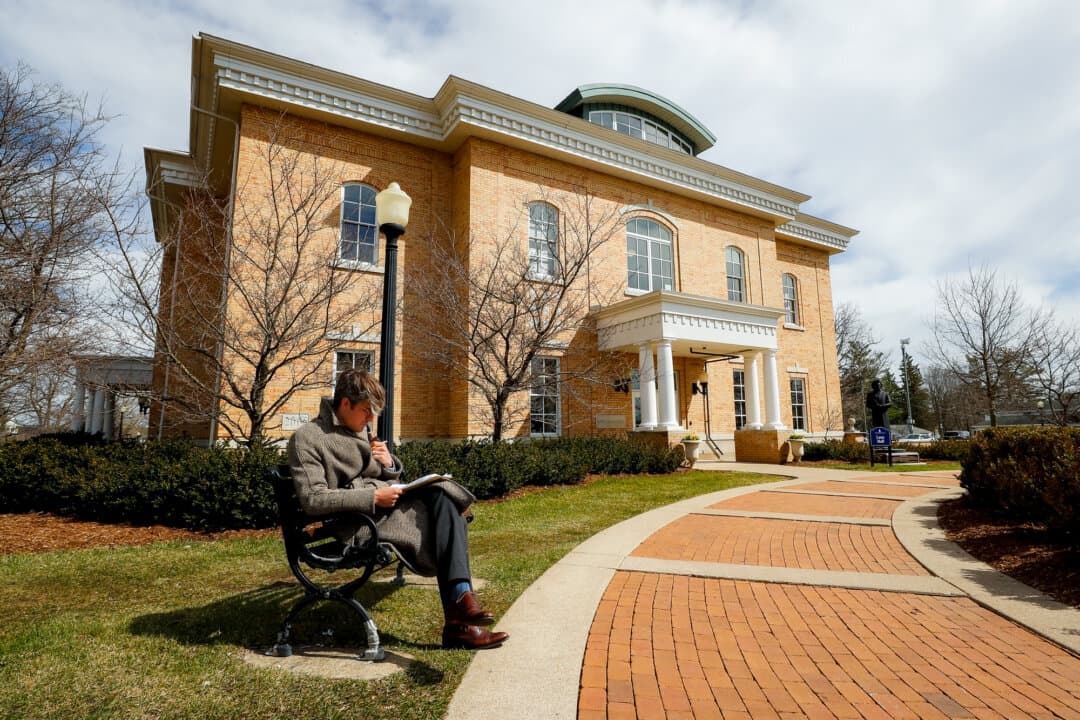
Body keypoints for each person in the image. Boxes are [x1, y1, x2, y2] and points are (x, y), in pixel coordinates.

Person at [287, 368, 507, 650]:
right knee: (448, 520)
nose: (371, 419)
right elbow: (312, 499)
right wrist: (373, 497)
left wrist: (389, 464)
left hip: (382, 511)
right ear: (344, 404)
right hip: (356, 523)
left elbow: (383, 475)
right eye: (366, 411)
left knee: (441, 498)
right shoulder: (308, 438)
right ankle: (461, 620)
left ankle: (461, 607)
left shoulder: (360, 429)